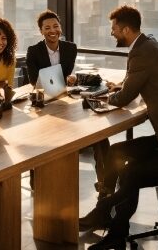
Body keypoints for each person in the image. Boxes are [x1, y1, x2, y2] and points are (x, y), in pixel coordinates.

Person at [79, 5, 158, 250]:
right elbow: (136, 81)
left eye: (114, 28)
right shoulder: (149, 44)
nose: (112, 33)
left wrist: (104, 99)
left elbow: (126, 97)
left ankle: (113, 228)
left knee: (131, 173)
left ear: (126, 29)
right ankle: (103, 209)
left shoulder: (142, 52)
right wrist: (119, 88)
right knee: (116, 153)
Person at [26, 10, 110, 193]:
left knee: (99, 130)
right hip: (44, 104)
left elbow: (64, 77)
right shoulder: (33, 51)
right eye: (47, 28)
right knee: (42, 137)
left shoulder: (70, 48)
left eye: (55, 26)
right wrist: (63, 79)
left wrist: (69, 80)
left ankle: (105, 181)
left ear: (61, 28)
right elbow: (34, 81)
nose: (52, 30)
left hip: (64, 101)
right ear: (41, 31)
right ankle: (37, 180)